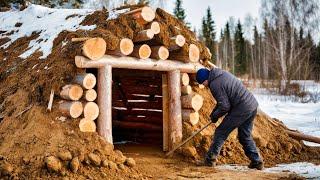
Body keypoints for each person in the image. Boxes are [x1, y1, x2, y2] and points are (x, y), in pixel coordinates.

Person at [196, 67, 263, 170]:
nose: (204, 86)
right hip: (252, 105)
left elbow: (225, 106)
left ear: (205, 80)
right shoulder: (221, 74)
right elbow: (223, 102)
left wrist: (215, 116)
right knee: (244, 135)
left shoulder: (214, 84)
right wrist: (214, 114)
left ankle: (210, 160)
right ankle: (257, 162)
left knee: (220, 132)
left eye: (202, 83)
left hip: (242, 107)